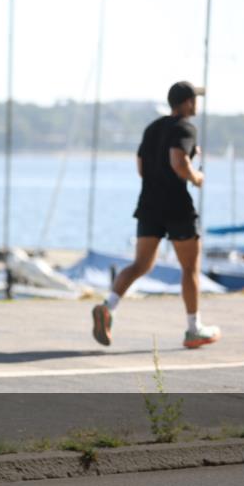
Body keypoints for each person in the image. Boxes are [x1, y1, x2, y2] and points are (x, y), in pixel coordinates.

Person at [91, 81, 221, 349]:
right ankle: (194, 329)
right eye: (194, 99)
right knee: (189, 268)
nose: (196, 104)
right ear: (186, 103)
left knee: (141, 264)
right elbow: (177, 160)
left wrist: (177, 164)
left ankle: (108, 307)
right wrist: (195, 177)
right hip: (176, 206)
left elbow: (141, 166)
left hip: (148, 204)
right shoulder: (186, 127)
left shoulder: (152, 128)